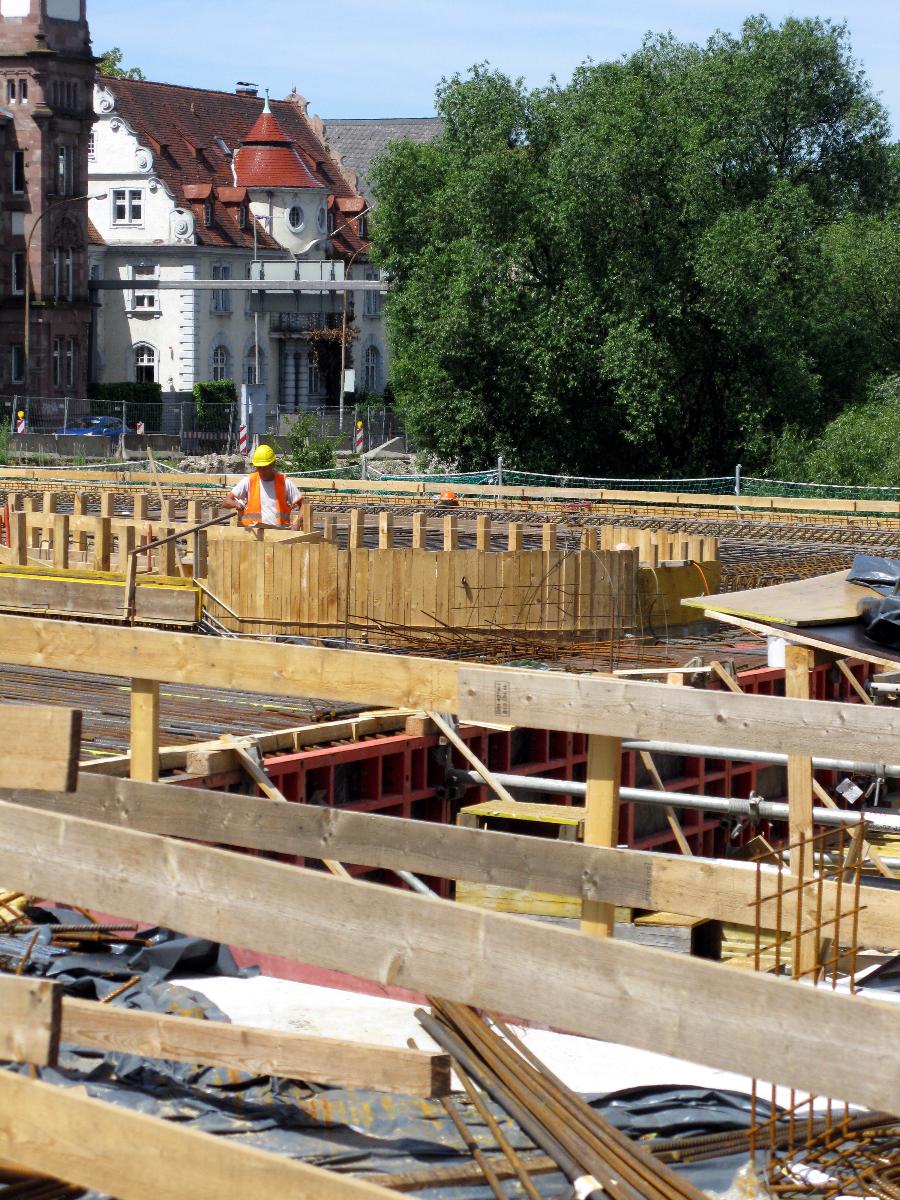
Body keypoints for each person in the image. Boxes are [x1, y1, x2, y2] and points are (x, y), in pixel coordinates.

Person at [223, 444, 303, 529]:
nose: (262, 471)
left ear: (273, 464)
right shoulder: (249, 481)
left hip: (280, 534)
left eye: (265, 468)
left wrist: (298, 523)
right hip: (254, 534)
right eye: (259, 468)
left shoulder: (284, 483)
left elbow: (304, 505)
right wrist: (236, 504)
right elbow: (226, 502)